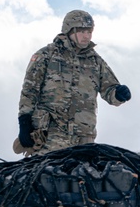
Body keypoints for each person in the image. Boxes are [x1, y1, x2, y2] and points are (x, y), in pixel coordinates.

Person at [16, 9, 130, 156]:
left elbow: (109, 90)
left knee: (83, 177)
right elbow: (29, 91)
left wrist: (119, 94)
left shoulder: (96, 62)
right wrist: (24, 123)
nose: (86, 36)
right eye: (82, 31)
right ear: (69, 30)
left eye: (89, 31)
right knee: (49, 175)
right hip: (51, 135)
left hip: (84, 137)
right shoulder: (46, 55)